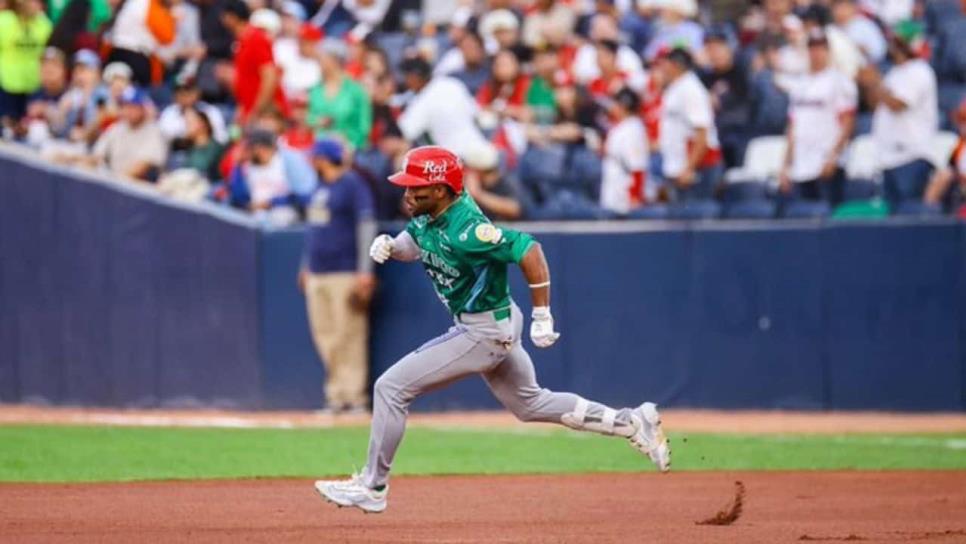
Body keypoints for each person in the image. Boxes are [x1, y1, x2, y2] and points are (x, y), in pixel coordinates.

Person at [313, 145, 671, 513]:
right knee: (531, 403)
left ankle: (373, 486)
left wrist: (543, 314)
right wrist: (391, 245)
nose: (407, 194)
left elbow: (529, 249)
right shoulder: (430, 211)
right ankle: (631, 422)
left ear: (439, 190)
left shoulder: (469, 229)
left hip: (483, 330)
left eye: (415, 187)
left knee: (389, 388)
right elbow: (416, 242)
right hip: (490, 322)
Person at [298, 138, 377, 414]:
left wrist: (365, 270)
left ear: (325, 157)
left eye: (316, 156)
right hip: (319, 271)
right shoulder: (320, 186)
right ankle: (336, 395)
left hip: (345, 269)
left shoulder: (352, 183)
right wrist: (305, 265)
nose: (312, 161)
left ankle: (354, 398)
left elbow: (366, 224)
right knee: (326, 336)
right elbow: (313, 230)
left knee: (349, 334)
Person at [859, 20, 937, 209]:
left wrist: (875, 83)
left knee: (909, 215)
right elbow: (876, 104)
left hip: (910, 157)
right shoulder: (894, 73)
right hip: (888, 158)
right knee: (893, 220)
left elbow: (898, 104)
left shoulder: (920, 71)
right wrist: (869, 84)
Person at [779, 29, 857, 205]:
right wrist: (785, 165)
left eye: (821, 48)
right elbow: (793, 127)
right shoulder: (800, 84)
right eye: (812, 48)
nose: (816, 53)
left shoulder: (838, 81)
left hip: (826, 162)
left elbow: (848, 123)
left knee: (828, 219)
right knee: (802, 220)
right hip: (801, 164)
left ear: (828, 51)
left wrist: (833, 157)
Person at [655, 48, 723, 201]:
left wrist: (689, 168)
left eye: (664, 64)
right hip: (679, 165)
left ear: (675, 65)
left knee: (696, 219)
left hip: (699, 168)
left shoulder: (691, 90)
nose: (661, 69)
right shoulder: (676, 87)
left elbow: (702, 132)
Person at [396, 57, 489, 159]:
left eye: (406, 77)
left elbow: (404, 132)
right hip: (481, 148)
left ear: (414, 77)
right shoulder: (453, 83)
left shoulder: (422, 101)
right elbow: (476, 113)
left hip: (457, 159)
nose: (405, 82)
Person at [225, 128, 317, 223]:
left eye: (250, 147)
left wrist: (270, 203)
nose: (246, 151)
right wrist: (238, 166)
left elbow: (303, 196)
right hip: (255, 218)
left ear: (260, 148)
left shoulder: (287, 161)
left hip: (285, 215)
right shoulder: (247, 166)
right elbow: (239, 197)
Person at [221, 1, 289, 123]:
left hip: (268, 115)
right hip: (251, 110)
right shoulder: (241, 42)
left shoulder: (256, 39)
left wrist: (257, 111)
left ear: (233, 17)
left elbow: (270, 77)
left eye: (225, 16)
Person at [88, 87, 167, 181]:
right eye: (125, 106)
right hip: (115, 182)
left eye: (133, 106)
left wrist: (113, 179)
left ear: (143, 108)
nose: (128, 111)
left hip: (139, 188)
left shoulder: (154, 132)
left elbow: (141, 167)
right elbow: (97, 156)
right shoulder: (117, 128)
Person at [307, 38, 372, 151]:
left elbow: (363, 128)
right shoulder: (315, 90)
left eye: (322, 59)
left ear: (334, 60)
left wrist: (347, 139)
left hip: (347, 151)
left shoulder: (356, 91)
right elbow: (308, 118)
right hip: (315, 149)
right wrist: (317, 122)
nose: (318, 63)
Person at [0, 0, 52, 126]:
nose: (35, 5)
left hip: (33, 83)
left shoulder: (44, 24)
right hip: (6, 81)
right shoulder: (4, 21)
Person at [600, 88, 648, 214]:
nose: (612, 107)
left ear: (623, 105)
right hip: (614, 189)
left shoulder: (633, 129)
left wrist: (634, 197)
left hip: (624, 198)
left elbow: (638, 167)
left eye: (615, 103)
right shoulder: (623, 127)